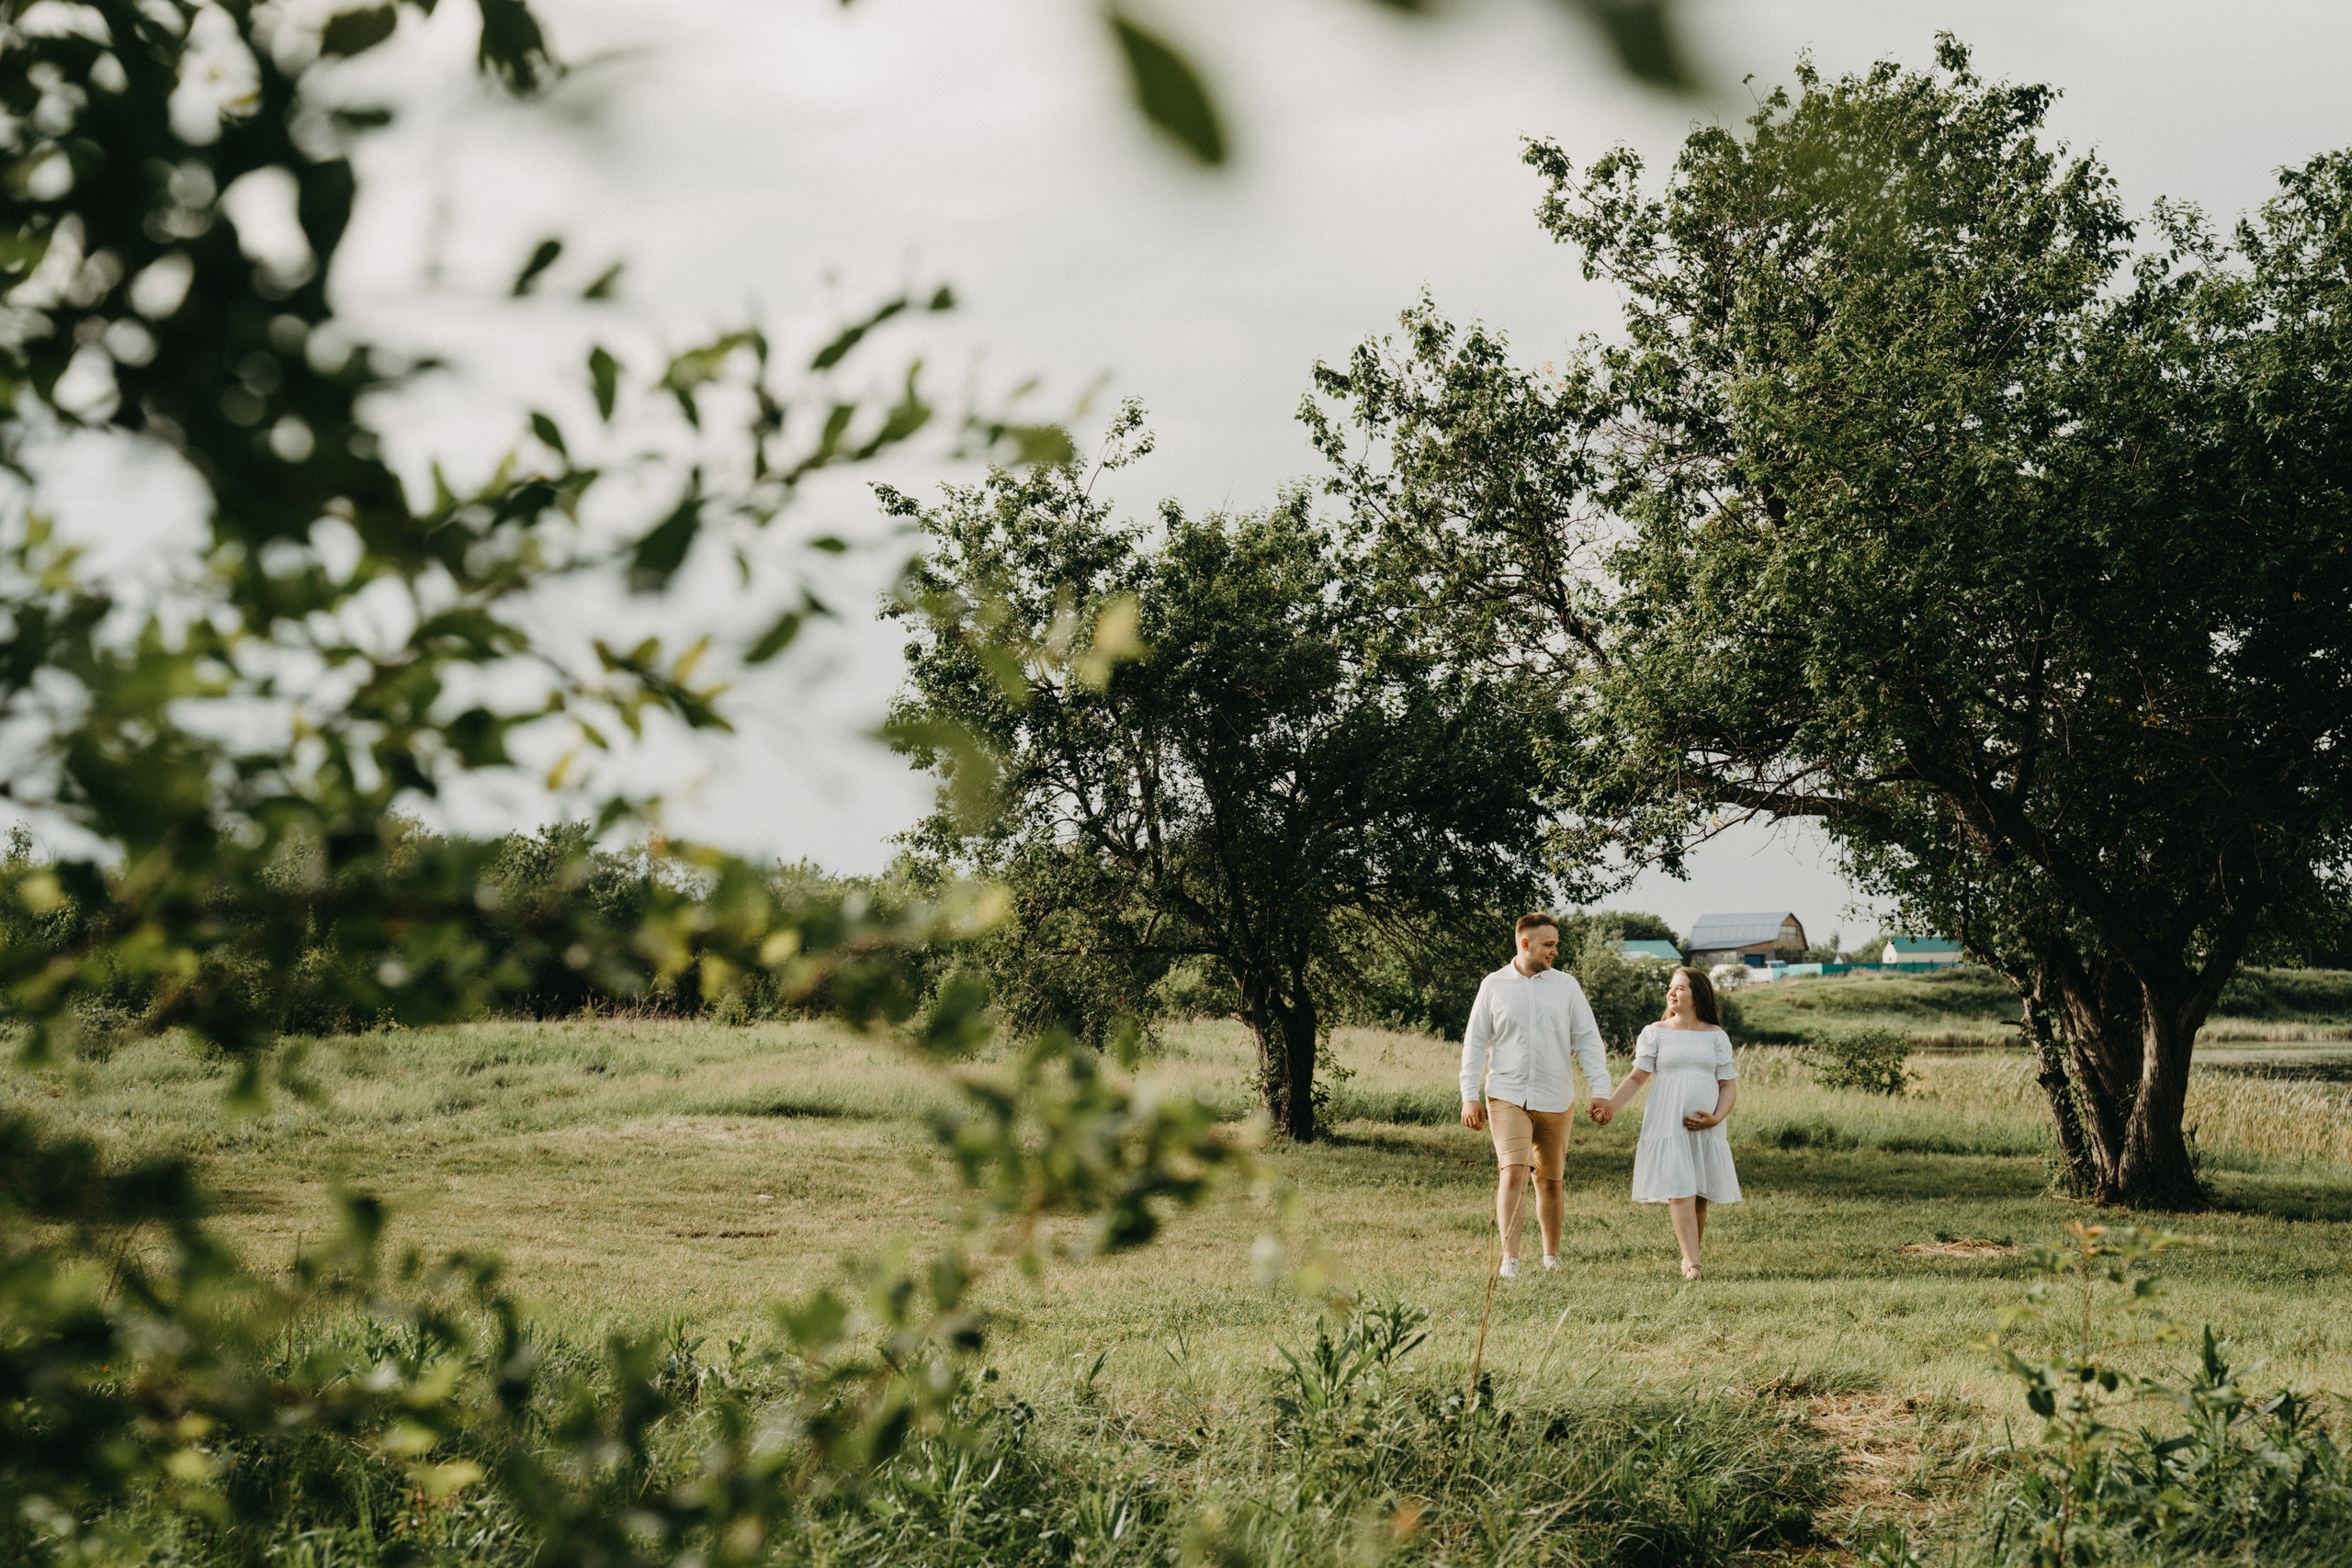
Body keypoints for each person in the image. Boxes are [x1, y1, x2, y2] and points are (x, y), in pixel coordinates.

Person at [1459, 913, 1612, 1278]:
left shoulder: (1567, 987)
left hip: (1556, 1095)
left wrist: (1601, 1090)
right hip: (1506, 1093)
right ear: (1525, 944)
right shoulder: (1494, 985)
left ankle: (1551, 1258)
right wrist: (1469, 1094)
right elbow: (1475, 1042)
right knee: (1513, 1171)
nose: (1554, 951)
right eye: (1549, 945)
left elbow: (1588, 1040)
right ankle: (1509, 1260)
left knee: (1550, 1179)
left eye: (1555, 944)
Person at [1598, 965, 1740, 1280]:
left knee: (1699, 1194)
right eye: (1671, 987)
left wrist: (1716, 1118)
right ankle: (1694, 1264)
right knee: (1679, 1189)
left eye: (1680, 988)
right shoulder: (1655, 1031)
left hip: (1705, 1124)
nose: (1672, 993)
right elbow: (1637, 1078)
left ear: (1697, 995)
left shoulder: (1716, 1036)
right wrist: (1610, 1106)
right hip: (1668, 1121)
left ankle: (1691, 1256)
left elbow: (1728, 1085)